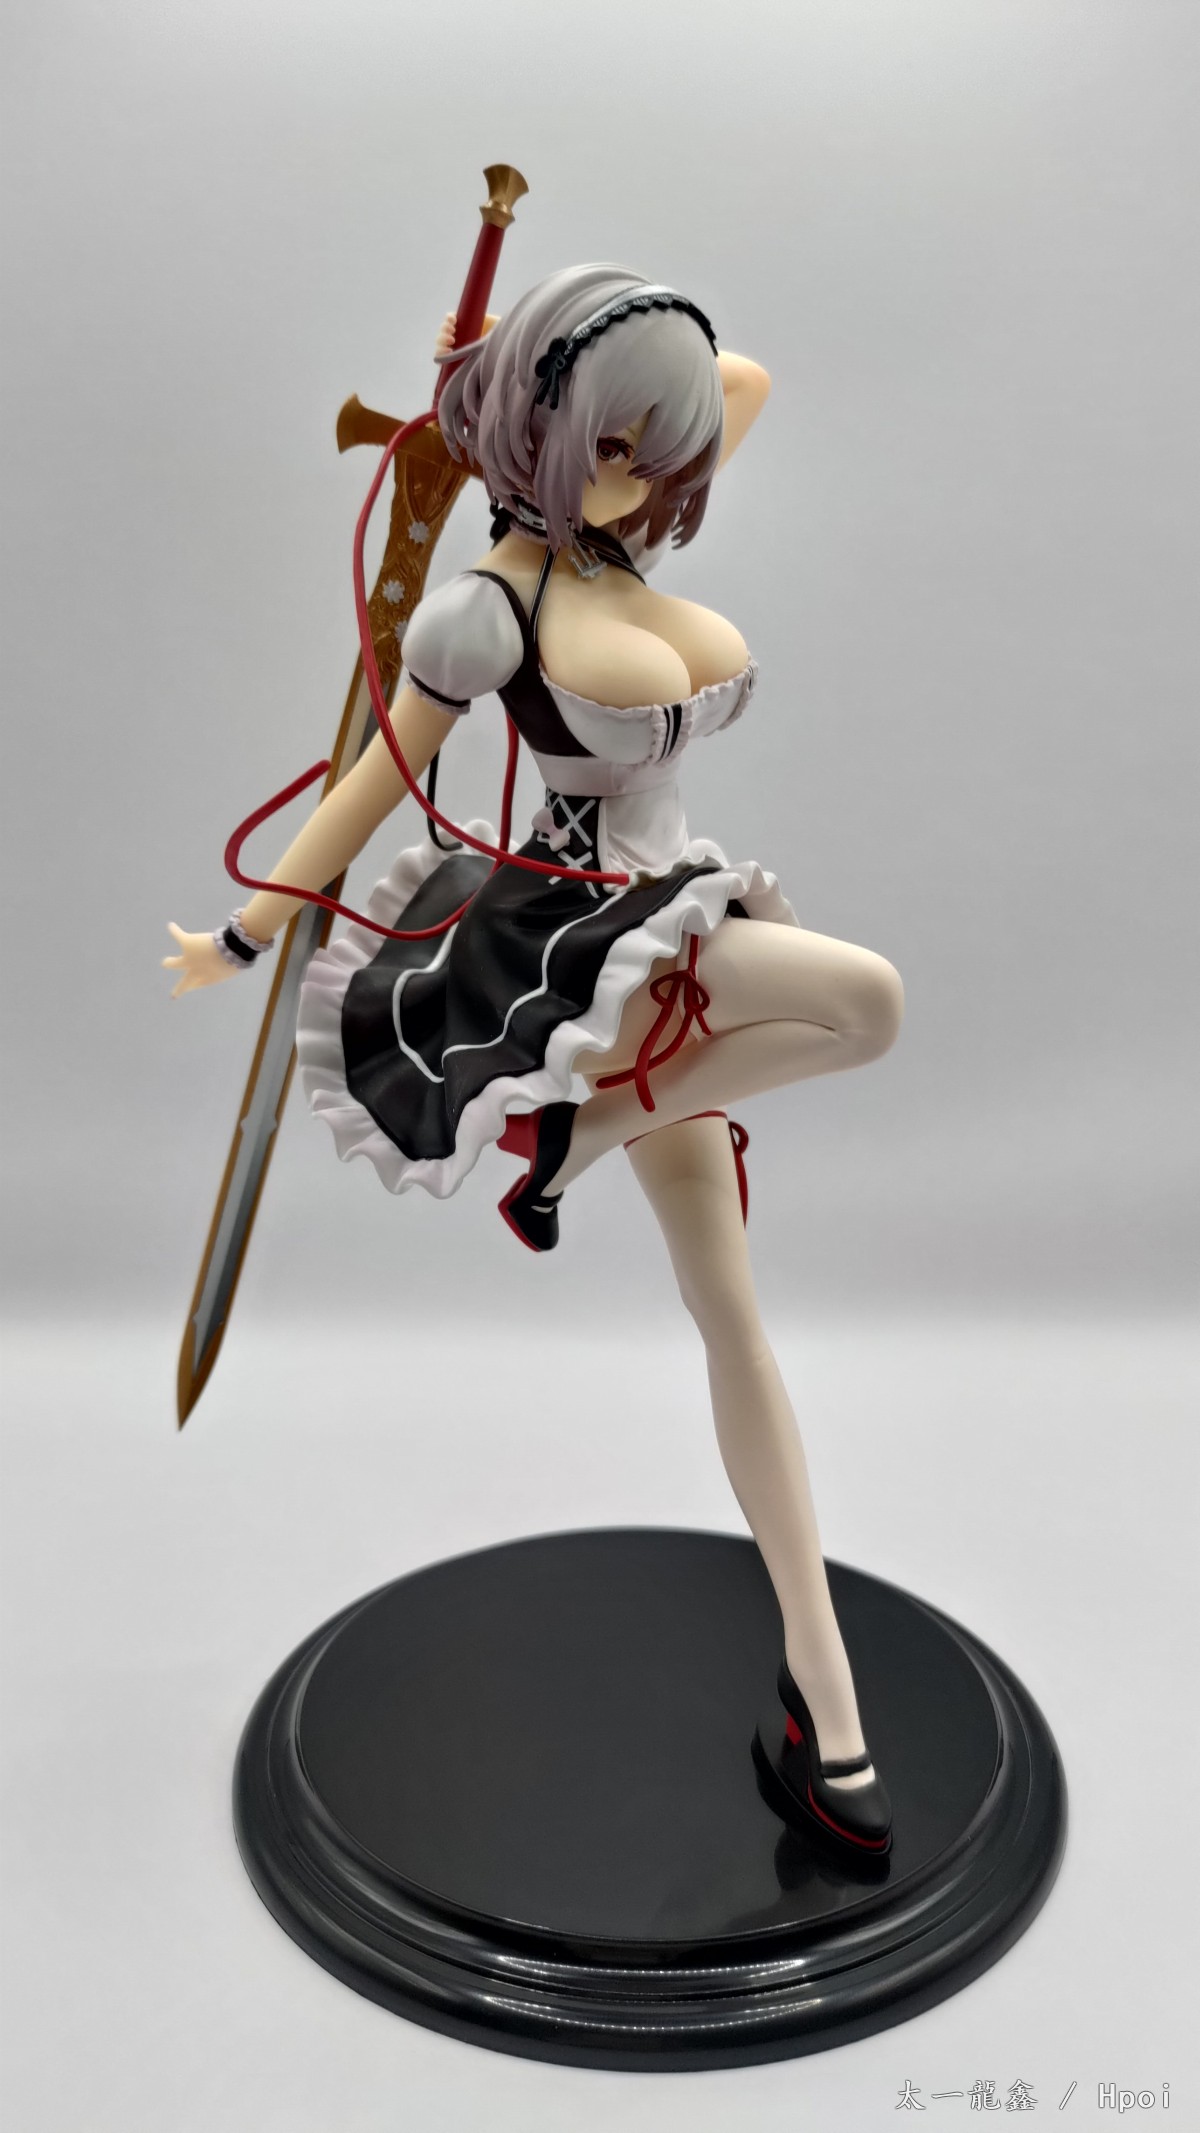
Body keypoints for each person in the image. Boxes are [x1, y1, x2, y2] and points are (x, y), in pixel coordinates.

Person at [163, 264, 904, 1852]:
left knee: (734, 1323)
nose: (643, 474)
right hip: (584, 945)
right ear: (548, 437)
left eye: (657, 450)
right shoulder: (484, 611)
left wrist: (547, 381)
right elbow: (374, 781)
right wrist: (246, 927)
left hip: (671, 933)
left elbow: (741, 381)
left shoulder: (619, 525)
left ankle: (831, 1718)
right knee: (867, 1000)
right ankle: (580, 1128)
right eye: (611, 446)